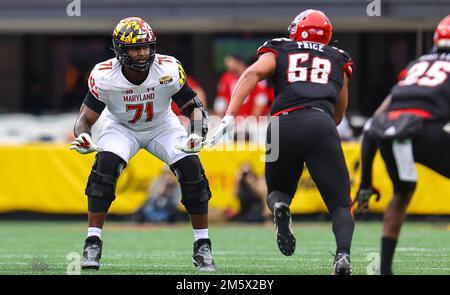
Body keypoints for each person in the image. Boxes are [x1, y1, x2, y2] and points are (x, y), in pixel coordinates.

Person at [208, 9, 355, 274]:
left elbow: (252, 74)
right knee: (341, 204)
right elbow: (340, 112)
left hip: (279, 125)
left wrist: (230, 115)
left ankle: (279, 207)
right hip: (320, 121)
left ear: (297, 29)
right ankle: (342, 255)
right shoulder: (338, 57)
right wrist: (318, 132)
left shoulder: (281, 48)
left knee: (277, 191)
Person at [70, 17, 216, 272]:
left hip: (163, 126)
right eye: (136, 48)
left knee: (192, 169)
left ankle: (202, 246)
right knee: (104, 167)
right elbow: (85, 118)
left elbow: (193, 107)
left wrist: (196, 132)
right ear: (119, 49)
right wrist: (83, 135)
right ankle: (93, 240)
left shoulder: (168, 69)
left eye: (147, 46)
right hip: (121, 127)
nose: (143, 53)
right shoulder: (105, 75)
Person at [355, 15, 450, 275]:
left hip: (390, 132)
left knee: (402, 192)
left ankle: (384, 270)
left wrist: (364, 183)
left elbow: (373, 125)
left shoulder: (417, 64)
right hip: (424, 131)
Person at [213, 54, 270, 118]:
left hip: (255, 120)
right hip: (234, 120)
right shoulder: (226, 78)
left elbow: (261, 98)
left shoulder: (253, 74)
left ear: (239, 63)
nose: (227, 65)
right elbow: (221, 100)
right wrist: (217, 120)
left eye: (230, 63)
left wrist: (252, 119)